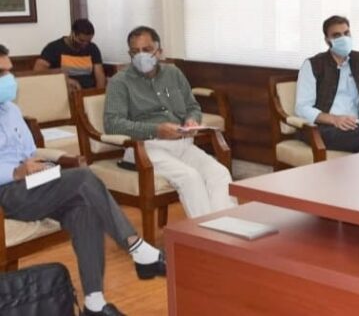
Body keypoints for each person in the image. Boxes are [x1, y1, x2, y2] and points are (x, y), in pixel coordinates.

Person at [0, 44, 165, 316]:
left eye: (9, 71)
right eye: (2, 73)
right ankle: (136, 247)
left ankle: (94, 302)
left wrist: (38, 166)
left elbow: (29, 152)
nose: (9, 78)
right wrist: (16, 172)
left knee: (84, 207)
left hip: (31, 184)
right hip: (7, 193)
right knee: (83, 178)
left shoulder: (11, 110)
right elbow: (16, 168)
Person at [103, 26, 236, 218]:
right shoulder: (120, 82)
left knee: (219, 173)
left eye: (147, 50)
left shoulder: (173, 73)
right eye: (135, 51)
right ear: (129, 54)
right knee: (190, 177)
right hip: (145, 148)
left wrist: (192, 120)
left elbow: (193, 106)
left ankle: (225, 227)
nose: (141, 56)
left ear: (159, 51)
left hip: (182, 144)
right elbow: (112, 124)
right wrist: (156, 130)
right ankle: (206, 232)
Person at [295, 15, 359, 152]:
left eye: (346, 33)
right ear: (327, 40)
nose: (343, 38)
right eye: (337, 35)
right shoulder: (313, 64)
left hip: (356, 125)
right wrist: (335, 119)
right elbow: (302, 108)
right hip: (325, 129)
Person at [33, 18, 106, 90]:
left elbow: (99, 75)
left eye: (88, 41)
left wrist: (99, 93)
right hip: (66, 91)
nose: (85, 44)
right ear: (72, 34)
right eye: (81, 41)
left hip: (89, 91)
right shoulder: (54, 47)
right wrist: (65, 80)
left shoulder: (93, 48)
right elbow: (38, 70)